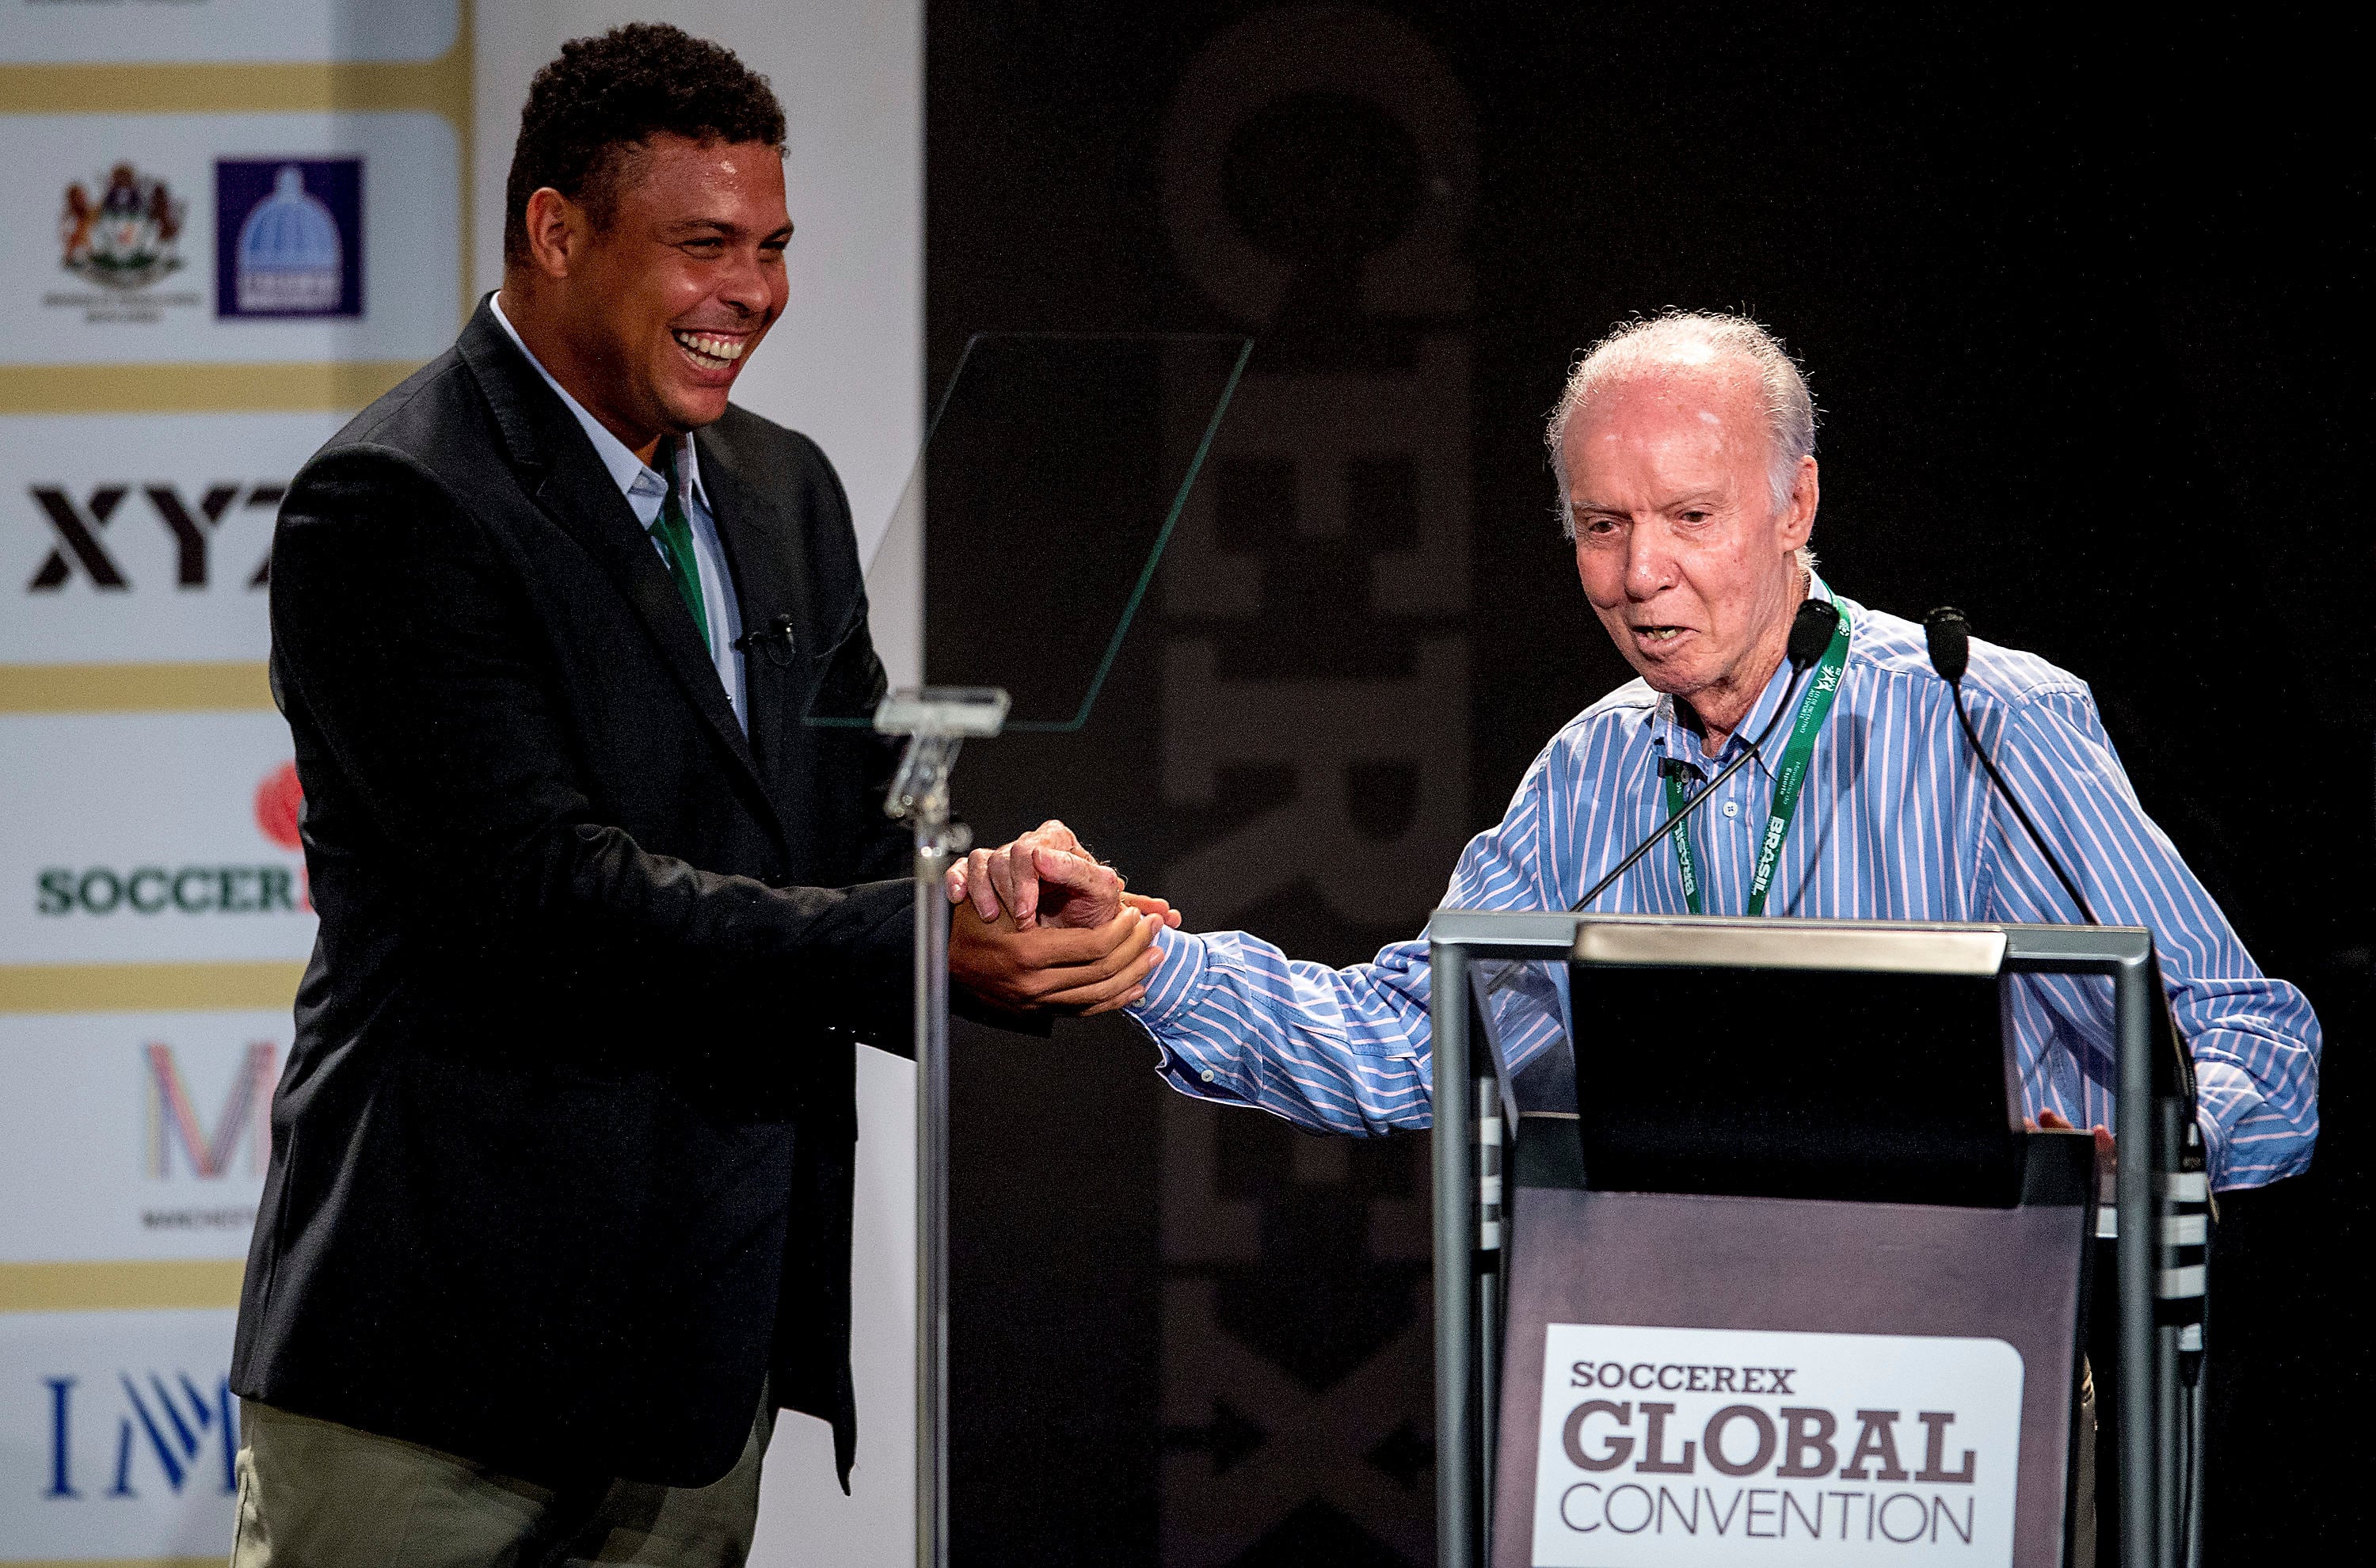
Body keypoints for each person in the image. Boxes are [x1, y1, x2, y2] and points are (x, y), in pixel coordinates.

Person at [230, 25, 1166, 1564]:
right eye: (704, 245)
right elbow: (543, 900)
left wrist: (984, 896)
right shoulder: (395, 501)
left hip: (693, 1363)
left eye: (776, 248)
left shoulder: (782, 487)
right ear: (557, 230)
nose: (753, 293)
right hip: (438, 1369)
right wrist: (907, 945)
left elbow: (847, 830)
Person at [954, 310, 2320, 1191]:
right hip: (1667, 1397)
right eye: (1602, 527)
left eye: (1688, 516)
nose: (1641, 575)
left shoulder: (1987, 718)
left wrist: (2130, 1157)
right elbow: (1409, 1047)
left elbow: (2256, 1046)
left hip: (1966, 1372)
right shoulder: (1594, 770)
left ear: (1798, 505)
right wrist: (1141, 960)